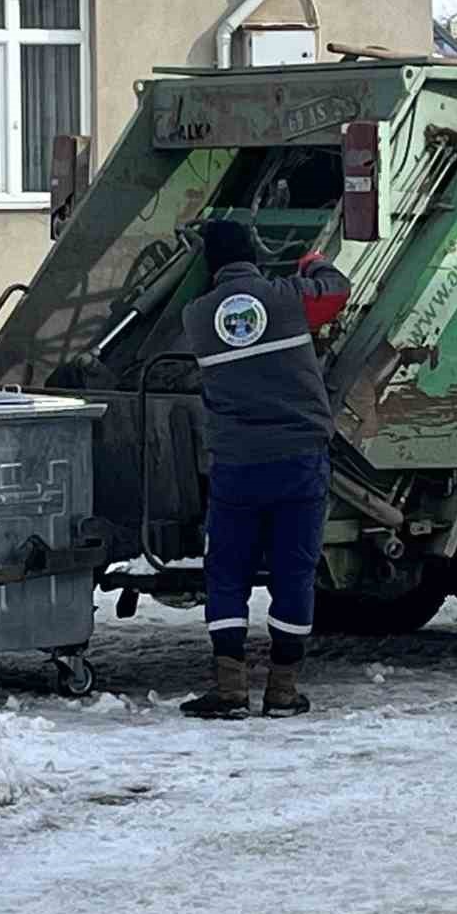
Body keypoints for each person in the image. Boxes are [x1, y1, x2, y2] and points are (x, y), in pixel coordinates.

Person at [179, 216, 351, 719]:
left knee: (227, 573)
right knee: (294, 572)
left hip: (237, 465)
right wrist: (312, 261)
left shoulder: (196, 317)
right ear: (253, 254)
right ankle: (282, 690)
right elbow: (336, 292)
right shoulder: (286, 298)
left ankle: (230, 691)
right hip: (299, 461)